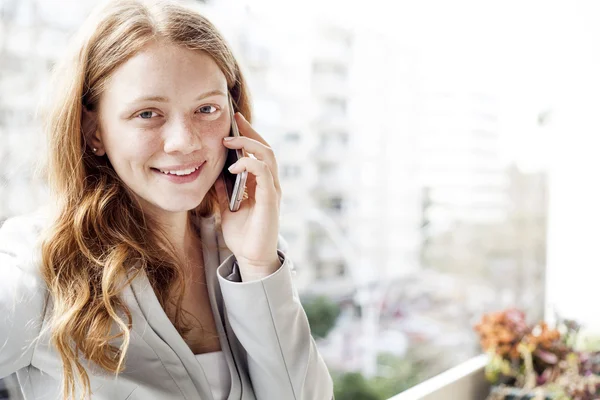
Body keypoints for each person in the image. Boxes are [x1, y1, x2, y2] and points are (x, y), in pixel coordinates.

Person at [0, 0, 334, 399]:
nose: (184, 141)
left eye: (206, 108)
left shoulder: (241, 253)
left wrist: (259, 267)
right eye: (147, 114)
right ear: (94, 132)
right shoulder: (39, 270)